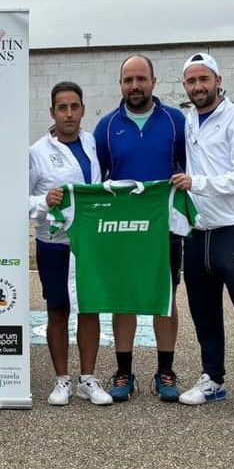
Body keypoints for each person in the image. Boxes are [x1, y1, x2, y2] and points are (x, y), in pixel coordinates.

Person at [171, 52, 234, 419]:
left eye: (204, 80)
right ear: (185, 86)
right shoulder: (189, 120)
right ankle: (212, 378)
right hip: (198, 231)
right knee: (204, 311)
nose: (198, 87)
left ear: (217, 81)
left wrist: (197, 183)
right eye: (192, 81)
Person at [93, 54, 187, 402]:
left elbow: (188, 168)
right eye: (128, 80)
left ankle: (165, 370)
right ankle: (123, 372)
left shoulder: (176, 121)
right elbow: (95, 178)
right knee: (124, 297)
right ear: (121, 85)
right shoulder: (107, 126)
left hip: (164, 227)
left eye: (140, 79)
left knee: (166, 296)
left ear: (153, 82)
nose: (135, 86)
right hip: (123, 228)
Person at [29, 81, 113, 406]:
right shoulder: (37, 152)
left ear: (82, 110)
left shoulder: (92, 143)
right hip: (54, 245)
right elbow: (19, 199)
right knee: (58, 310)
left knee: (90, 309)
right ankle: (61, 380)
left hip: (89, 243)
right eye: (62, 107)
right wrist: (44, 201)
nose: (68, 113)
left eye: (74, 106)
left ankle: (88, 379)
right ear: (52, 112)